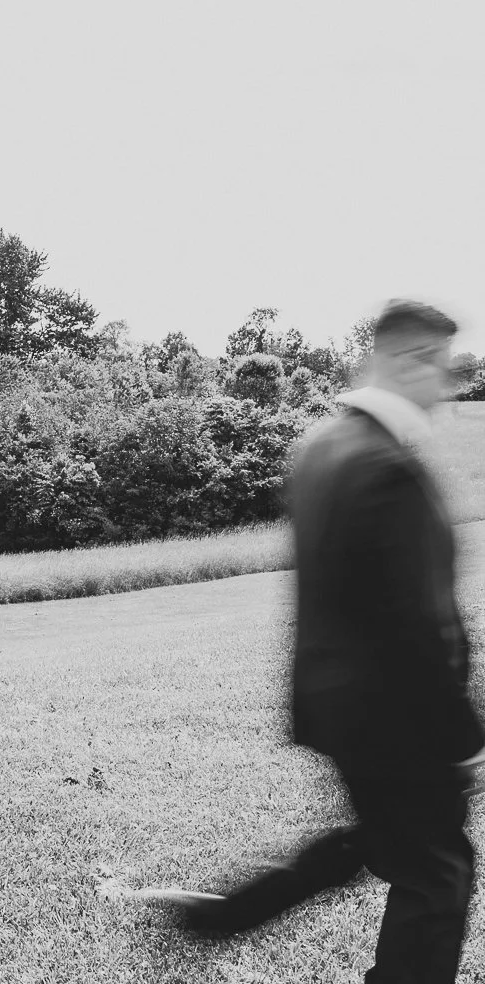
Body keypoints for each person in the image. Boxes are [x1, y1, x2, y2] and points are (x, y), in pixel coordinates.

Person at [163, 299, 481, 983]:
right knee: (438, 873)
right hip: (397, 713)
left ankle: (226, 914)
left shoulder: (323, 444)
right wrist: (463, 731)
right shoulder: (386, 464)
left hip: (337, 708)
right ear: (407, 360)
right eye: (443, 372)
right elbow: (416, 621)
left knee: (385, 839)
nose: (449, 391)